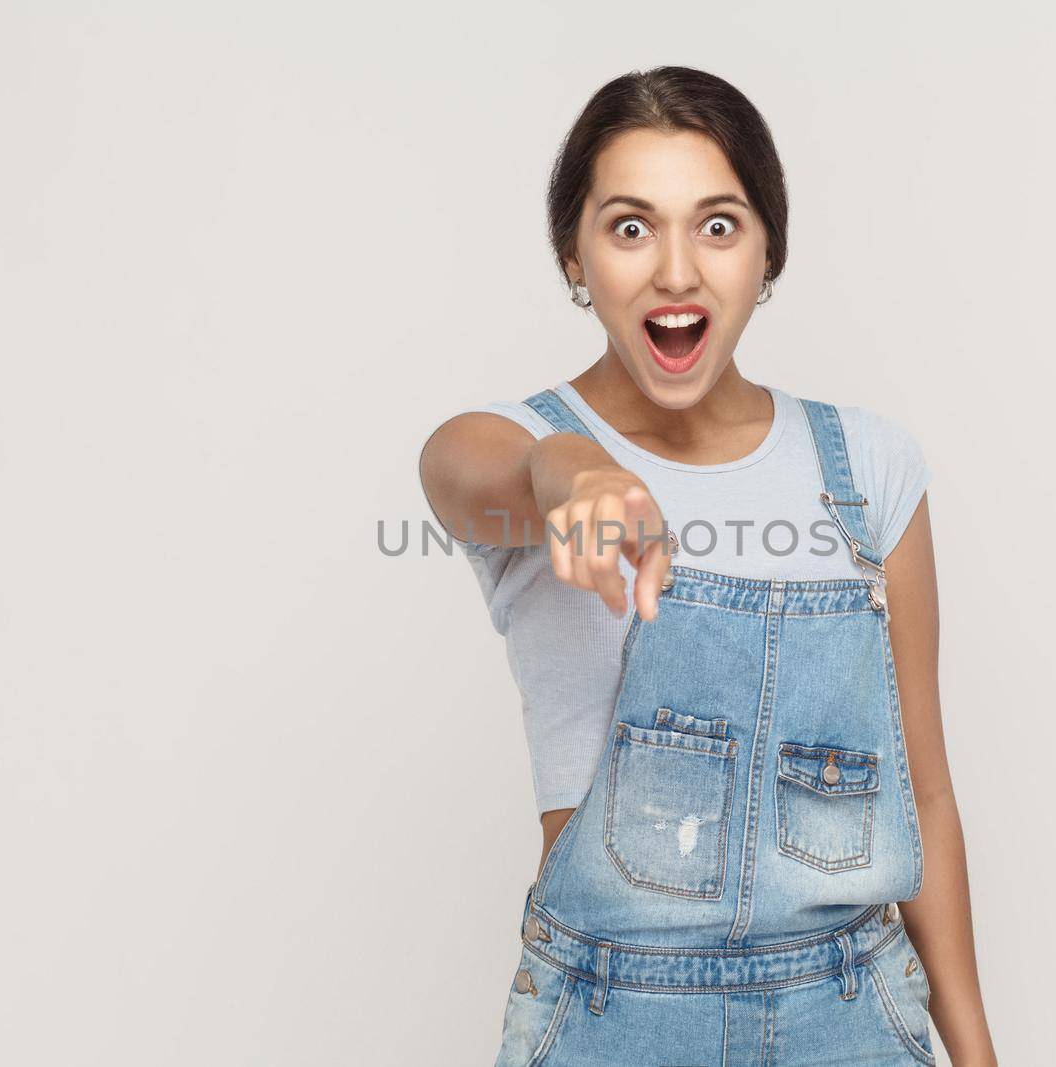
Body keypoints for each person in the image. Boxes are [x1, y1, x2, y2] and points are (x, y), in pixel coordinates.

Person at [418, 66, 997, 1066]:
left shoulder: (865, 469)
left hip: (852, 1011)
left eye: (717, 225)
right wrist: (564, 468)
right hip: (610, 1015)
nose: (676, 271)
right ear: (574, 255)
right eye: (631, 226)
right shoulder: (522, 452)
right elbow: (455, 470)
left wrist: (978, 1054)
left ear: (768, 251)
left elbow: (926, 794)